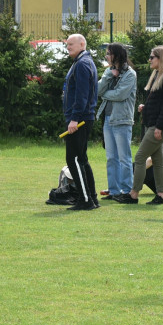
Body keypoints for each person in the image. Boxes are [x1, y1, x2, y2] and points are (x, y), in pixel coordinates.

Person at [115, 45, 163, 205]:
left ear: (161, 58)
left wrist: (159, 127)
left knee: (140, 156)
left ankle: (134, 194)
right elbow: (159, 102)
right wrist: (146, 107)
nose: (149, 60)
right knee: (158, 161)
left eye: (152, 57)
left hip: (159, 125)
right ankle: (161, 195)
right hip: (154, 122)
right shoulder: (158, 74)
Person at [61, 34, 99, 210]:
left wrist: (74, 118)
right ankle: (92, 198)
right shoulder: (83, 62)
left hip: (80, 119)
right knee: (81, 159)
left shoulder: (82, 64)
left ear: (82, 44)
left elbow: (82, 94)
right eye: (67, 44)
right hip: (83, 117)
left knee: (74, 159)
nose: (68, 47)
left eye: (71, 44)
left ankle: (85, 200)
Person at [97, 43, 137, 200]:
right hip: (108, 119)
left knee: (124, 158)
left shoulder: (130, 74)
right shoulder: (108, 71)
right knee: (110, 157)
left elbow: (121, 95)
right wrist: (109, 76)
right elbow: (98, 89)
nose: (106, 56)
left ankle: (127, 191)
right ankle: (114, 191)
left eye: (109, 53)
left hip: (122, 120)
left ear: (117, 55)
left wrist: (105, 94)